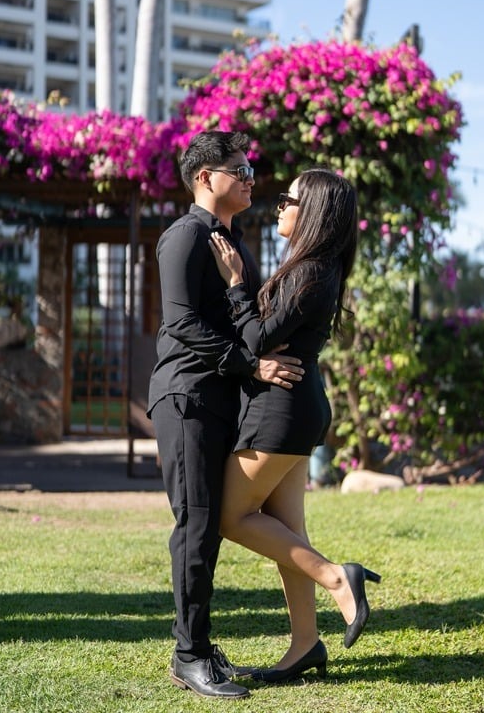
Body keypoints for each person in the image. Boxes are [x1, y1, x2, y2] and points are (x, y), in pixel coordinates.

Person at [147, 130, 304, 699]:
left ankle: (199, 643)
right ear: (204, 177)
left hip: (219, 400)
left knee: (209, 522)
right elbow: (181, 323)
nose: (250, 179)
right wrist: (252, 365)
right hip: (186, 396)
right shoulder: (185, 236)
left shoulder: (235, 242)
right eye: (239, 170)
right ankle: (188, 655)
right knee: (195, 522)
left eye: (251, 170)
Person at [209, 168, 381, 683]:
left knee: (230, 517)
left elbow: (258, 339)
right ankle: (305, 644)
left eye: (290, 198)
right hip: (295, 406)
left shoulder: (310, 272)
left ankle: (337, 578)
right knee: (288, 531)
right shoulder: (312, 269)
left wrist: (236, 285)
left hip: (281, 411)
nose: (280, 204)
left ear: (315, 213)